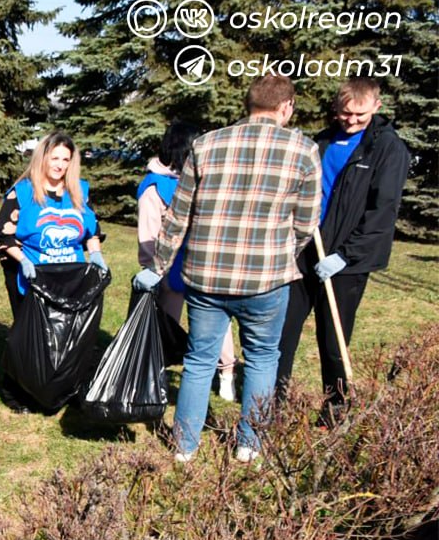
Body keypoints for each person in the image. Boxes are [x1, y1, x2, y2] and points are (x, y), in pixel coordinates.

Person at [133, 75, 320, 463]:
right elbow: (306, 222)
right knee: (263, 358)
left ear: (247, 105)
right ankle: (249, 445)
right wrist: (282, 254)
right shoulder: (303, 149)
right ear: (287, 107)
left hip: (206, 276)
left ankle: (185, 447)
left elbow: (177, 217)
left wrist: (158, 265)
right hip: (266, 280)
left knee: (200, 360)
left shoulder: (207, 144)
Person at [276, 77, 410, 422]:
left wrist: (346, 255)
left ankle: (334, 410)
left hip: (345, 262)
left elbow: (383, 212)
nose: (350, 120)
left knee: (333, 339)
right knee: (283, 333)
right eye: (344, 113)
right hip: (305, 251)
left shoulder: (387, 149)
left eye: (359, 115)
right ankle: (271, 405)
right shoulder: (320, 142)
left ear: (376, 107)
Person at [0, 131, 107, 408]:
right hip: (33, 275)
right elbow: (3, 237)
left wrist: (97, 256)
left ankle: (63, 388)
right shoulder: (22, 193)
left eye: (65, 159)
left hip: (71, 278)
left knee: (69, 336)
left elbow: (92, 230)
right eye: (54, 158)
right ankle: (18, 391)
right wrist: (24, 261)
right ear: (42, 158)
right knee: (30, 339)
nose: (59, 165)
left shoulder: (79, 191)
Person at [137, 121, 237, 402]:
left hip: (206, 263)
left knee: (217, 320)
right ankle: (158, 368)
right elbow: (148, 232)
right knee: (167, 322)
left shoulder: (204, 177)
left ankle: (226, 372)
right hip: (171, 268)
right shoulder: (155, 188)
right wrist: (151, 268)